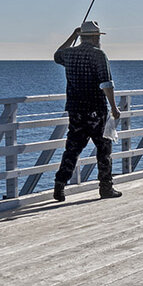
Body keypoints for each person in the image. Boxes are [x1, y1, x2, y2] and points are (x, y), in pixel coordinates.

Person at [51, 21, 121, 201]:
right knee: (103, 148)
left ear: (82, 37)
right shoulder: (98, 55)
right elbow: (106, 83)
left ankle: (60, 184)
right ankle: (106, 187)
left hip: (75, 109)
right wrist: (114, 107)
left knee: (72, 149)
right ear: (96, 37)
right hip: (96, 109)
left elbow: (56, 55)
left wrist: (72, 36)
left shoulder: (69, 54)